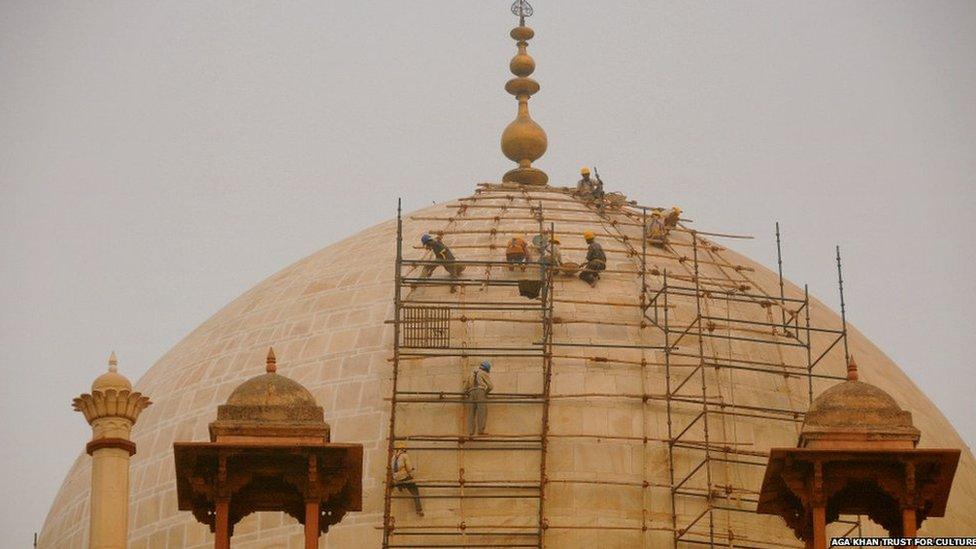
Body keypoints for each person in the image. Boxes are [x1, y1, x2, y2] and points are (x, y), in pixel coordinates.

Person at [391, 441, 424, 516]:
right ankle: (419, 510)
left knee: (402, 481)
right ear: (403, 449)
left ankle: (400, 487)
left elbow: (392, 469)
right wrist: (413, 475)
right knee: (415, 492)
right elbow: (409, 468)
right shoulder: (404, 455)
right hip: (404, 477)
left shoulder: (393, 457)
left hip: (396, 478)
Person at [463, 361, 494, 436]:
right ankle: (480, 431)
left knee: (471, 413)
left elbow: (464, 388)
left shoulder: (470, 374)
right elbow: (490, 386)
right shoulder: (483, 373)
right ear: (486, 369)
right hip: (480, 391)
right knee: (482, 412)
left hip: (471, 392)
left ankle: (471, 432)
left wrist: (468, 393)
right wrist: (485, 393)